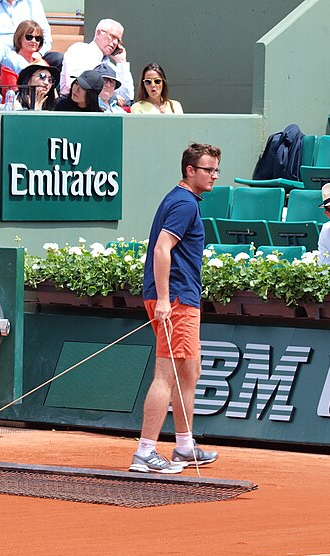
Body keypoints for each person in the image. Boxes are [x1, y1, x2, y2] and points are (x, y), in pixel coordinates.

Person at [131, 143, 222, 474]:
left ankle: (184, 447)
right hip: (178, 299)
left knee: (189, 371)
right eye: (208, 170)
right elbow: (161, 249)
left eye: (216, 170)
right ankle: (145, 452)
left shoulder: (182, 200)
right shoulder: (184, 204)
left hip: (182, 297)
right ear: (190, 171)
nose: (214, 176)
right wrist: (167, 299)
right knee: (165, 375)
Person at [60, 18, 134, 105]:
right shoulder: (80, 50)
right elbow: (75, 87)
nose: (115, 43)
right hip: (73, 107)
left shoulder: (111, 67)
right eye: (112, 36)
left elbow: (127, 98)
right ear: (99, 33)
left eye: (118, 40)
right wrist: (112, 97)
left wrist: (121, 62)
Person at [0, 0, 63, 68]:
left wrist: (39, 53)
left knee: (57, 59)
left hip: (32, 53)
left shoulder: (33, 2)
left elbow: (46, 36)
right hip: (1, 57)